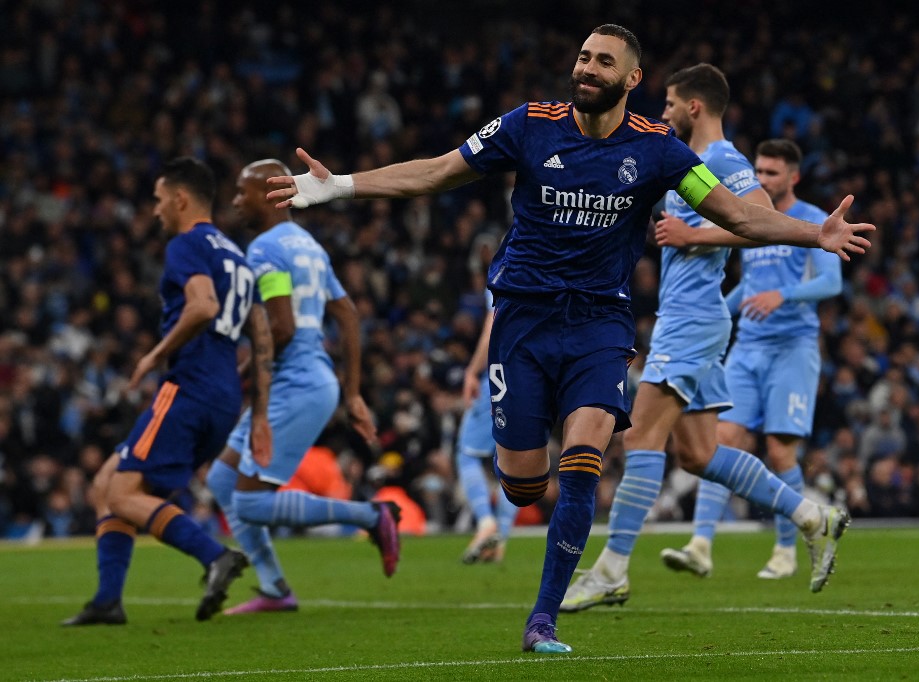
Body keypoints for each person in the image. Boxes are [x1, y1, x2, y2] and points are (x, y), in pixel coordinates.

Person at [266, 25, 873, 654]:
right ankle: (550, 510)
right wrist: (340, 185)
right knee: (525, 484)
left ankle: (542, 621)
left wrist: (814, 236)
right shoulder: (529, 123)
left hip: (598, 324)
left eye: (603, 61)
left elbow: (737, 213)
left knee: (585, 457)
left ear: (631, 80)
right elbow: (439, 171)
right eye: (583, 56)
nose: (586, 67)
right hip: (523, 321)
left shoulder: (659, 148)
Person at [561, 66, 848, 614]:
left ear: (695, 106)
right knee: (697, 454)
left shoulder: (722, 160)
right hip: (695, 313)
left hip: (691, 318)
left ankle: (612, 570)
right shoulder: (691, 160)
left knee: (639, 437)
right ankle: (814, 516)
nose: (663, 111)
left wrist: (696, 233)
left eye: (670, 103)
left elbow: (758, 215)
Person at [63, 157, 274, 625]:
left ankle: (214, 556)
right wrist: (259, 414)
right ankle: (107, 601)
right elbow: (262, 340)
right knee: (107, 484)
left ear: (180, 199)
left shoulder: (187, 244)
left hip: (188, 387)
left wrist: (155, 354)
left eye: (159, 200)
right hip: (224, 397)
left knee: (120, 494)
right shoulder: (237, 256)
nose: (156, 210)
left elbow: (202, 306)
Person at [203, 159, 399, 616]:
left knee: (248, 503)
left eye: (240, 192)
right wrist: (351, 392)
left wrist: (245, 374)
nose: (234, 201)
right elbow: (348, 314)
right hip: (315, 382)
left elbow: (282, 329)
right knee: (222, 479)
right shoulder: (308, 245)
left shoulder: (264, 250)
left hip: (294, 385)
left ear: (270, 193)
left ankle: (372, 516)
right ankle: (274, 588)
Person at [655, 138, 844, 581]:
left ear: (793, 177)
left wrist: (786, 294)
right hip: (748, 348)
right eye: (758, 171)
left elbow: (831, 284)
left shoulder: (813, 220)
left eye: (772, 173)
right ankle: (701, 543)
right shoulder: (752, 224)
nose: (761, 179)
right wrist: (720, 308)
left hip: (793, 347)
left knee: (780, 450)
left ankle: (785, 551)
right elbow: (750, 289)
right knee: (722, 438)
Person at [457, 298, 519, 564]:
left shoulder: (508, 265)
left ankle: (486, 523)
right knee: (517, 459)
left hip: (501, 374)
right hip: (538, 375)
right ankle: (501, 538)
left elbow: (493, 324)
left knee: (467, 454)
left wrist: (472, 370)